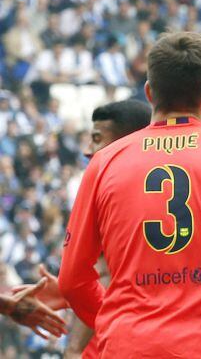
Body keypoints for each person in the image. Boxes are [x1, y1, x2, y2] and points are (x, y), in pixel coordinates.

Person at [58, 32, 201, 357]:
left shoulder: (104, 162)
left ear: (148, 92)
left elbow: (72, 280)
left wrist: (111, 320)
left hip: (129, 344)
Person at [19, 99, 152, 358]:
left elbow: (89, 277)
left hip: (114, 343)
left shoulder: (110, 193)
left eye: (97, 138)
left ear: (127, 141)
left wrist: (74, 350)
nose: (87, 149)